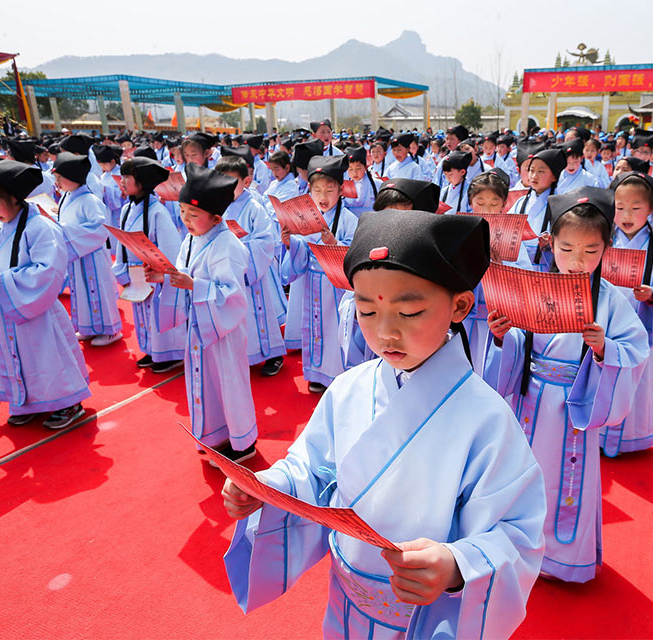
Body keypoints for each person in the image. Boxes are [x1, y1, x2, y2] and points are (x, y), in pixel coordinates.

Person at [222, 209, 547, 639]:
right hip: (347, 596)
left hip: (424, 614)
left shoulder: (484, 417)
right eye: (367, 312)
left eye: (408, 312)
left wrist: (455, 566)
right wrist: (270, 488)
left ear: (460, 305)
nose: (386, 333)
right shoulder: (349, 387)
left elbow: (517, 533)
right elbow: (315, 467)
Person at [487, 187, 650, 581]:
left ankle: (562, 559)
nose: (577, 261)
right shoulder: (534, 287)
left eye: (590, 252)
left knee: (564, 482)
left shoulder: (610, 298)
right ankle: (519, 546)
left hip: (575, 404)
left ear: (606, 250)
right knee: (524, 475)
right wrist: (501, 337)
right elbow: (521, 344)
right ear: (550, 243)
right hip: (531, 399)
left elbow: (637, 349)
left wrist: (604, 348)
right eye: (567, 249)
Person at [0, 160, 91, 428]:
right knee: (21, 358)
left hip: (37, 311)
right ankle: (30, 401)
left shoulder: (41, 227)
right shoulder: (2, 226)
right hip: (10, 306)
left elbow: (48, 271)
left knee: (48, 357)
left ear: (13, 196)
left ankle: (69, 402)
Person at [147, 164, 257, 463]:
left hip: (223, 330)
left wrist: (194, 285)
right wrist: (162, 276)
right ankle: (217, 435)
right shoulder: (193, 238)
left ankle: (244, 442)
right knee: (206, 383)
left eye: (193, 215)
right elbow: (183, 272)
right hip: (200, 326)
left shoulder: (227, 244)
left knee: (229, 382)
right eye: (182, 212)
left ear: (217, 217)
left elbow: (231, 294)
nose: (186, 220)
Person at [600, 171, 653, 456]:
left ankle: (629, 438)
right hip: (603, 326)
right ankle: (597, 433)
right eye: (620, 207)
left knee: (632, 379)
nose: (626, 215)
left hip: (634, 327)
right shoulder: (603, 242)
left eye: (636, 208)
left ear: (650, 210)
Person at [279, 155, 358, 393]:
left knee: (334, 330)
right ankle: (316, 373)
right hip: (310, 280)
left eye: (329, 190)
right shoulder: (306, 217)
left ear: (341, 190)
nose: (323, 197)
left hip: (334, 286)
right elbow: (303, 248)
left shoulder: (348, 218)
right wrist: (290, 243)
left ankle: (337, 375)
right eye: (317, 190)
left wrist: (333, 243)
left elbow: (353, 252)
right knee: (314, 327)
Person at [112, 156, 185, 373]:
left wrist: (161, 272)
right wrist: (122, 272)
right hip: (137, 274)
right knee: (143, 315)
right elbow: (121, 244)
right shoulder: (127, 210)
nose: (122, 182)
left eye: (127, 177)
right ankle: (152, 349)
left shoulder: (157, 212)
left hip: (154, 275)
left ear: (142, 181)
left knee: (158, 313)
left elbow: (171, 250)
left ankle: (170, 352)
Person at [215, 155, 286, 376]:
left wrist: (240, 247)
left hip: (251, 273)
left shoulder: (254, 207)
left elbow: (266, 240)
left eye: (232, 182)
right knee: (236, 318)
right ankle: (242, 354)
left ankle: (272, 354)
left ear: (245, 182)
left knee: (259, 315)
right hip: (228, 271)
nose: (226, 188)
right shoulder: (219, 205)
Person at [52, 152, 123, 346]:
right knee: (81, 292)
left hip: (92, 255)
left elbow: (100, 228)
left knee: (98, 290)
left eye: (59, 178)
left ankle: (110, 329)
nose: (56, 182)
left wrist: (64, 230)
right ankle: (88, 327)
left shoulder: (89, 200)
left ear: (73, 178)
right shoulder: (67, 196)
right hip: (77, 254)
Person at [342, 146, 378, 217]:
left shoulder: (376, 183)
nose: (354, 173)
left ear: (365, 167)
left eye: (358, 168)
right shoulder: (343, 185)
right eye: (350, 169)